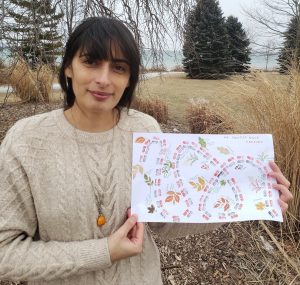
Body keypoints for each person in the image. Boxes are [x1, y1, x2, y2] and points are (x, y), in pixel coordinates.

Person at [0, 17, 293, 285]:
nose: (104, 78)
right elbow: (6, 255)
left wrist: (249, 200)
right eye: (91, 62)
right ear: (67, 67)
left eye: (119, 67)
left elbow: (166, 220)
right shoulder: (27, 141)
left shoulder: (145, 131)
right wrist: (103, 252)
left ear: (130, 78)